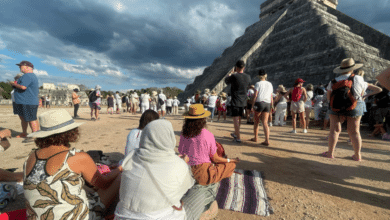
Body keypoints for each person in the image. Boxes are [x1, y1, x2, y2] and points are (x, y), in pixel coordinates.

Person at [24, 109, 122, 219]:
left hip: (36, 217)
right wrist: (119, 169)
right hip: (73, 216)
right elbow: (104, 184)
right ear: (71, 132)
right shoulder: (76, 157)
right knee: (119, 178)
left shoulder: (31, 156)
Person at [114, 120, 195, 220]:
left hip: (123, 216)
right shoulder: (178, 164)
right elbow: (183, 189)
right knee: (191, 201)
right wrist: (183, 163)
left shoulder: (132, 157)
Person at [178, 104, 238, 219]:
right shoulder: (207, 135)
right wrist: (230, 160)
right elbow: (215, 158)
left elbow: (181, 152)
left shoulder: (184, 134)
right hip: (203, 173)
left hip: (186, 170)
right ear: (203, 119)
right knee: (230, 166)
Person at [322, 58, 375, 161]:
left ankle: (330, 153)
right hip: (356, 105)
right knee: (355, 132)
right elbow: (362, 92)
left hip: (336, 106)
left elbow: (329, 97)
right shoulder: (359, 78)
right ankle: (357, 155)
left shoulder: (333, 81)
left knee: (334, 131)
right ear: (352, 68)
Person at [9, 61, 40, 138]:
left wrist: (14, 84)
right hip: (23, 101)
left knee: (31, 118)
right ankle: (24, 133)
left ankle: (35, 136)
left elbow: (23, 87)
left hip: (28, 101)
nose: (19, 67)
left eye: (21, 66)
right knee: (24, 118)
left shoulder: (28, 76)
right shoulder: (28, 76)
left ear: (27, 67)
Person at [224, 60, 251, 143]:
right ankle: (236, 133)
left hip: (236, 99)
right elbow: (249, 85)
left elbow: (226, 81)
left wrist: (231, 74)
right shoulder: (248, 77)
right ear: (244, 67)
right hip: (243, 100)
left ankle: (238, 137)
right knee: (239, 118)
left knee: (235, 118)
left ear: (236, 67)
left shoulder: (234, 76)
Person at [251, 69, 273, 145]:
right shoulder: (270, 84)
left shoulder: (257, 84)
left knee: (256, 122)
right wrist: (272, 105)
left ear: (258, 76)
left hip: (259, 103)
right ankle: (267, 140)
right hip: (267, 103)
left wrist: (252, 105)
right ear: (265, 75)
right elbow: (271, 96)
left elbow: (255, 95)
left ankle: (255, 137)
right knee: (265, 123)